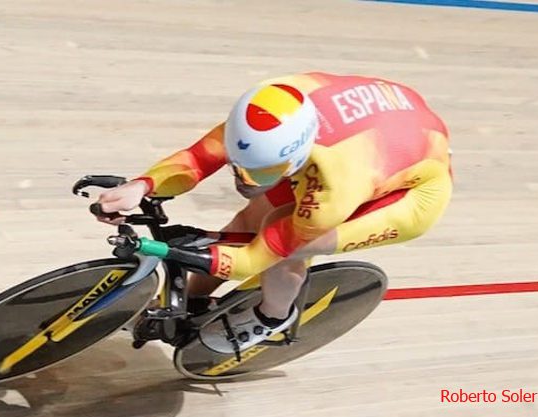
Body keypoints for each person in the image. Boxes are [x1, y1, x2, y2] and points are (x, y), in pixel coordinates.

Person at [94, 72, 453, 354]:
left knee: (287, 247)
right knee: (249, 218)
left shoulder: (335, 186)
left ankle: (274, 316)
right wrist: (140, 186)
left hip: (412, 191)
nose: (245, 181)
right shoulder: (266, 111)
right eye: (238, 165)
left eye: (261, 172)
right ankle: (196, 298)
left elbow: (253, 259)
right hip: (383, 124)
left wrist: (172, 251)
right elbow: (198, 158)